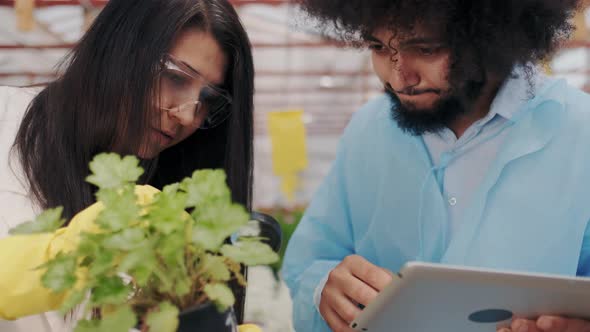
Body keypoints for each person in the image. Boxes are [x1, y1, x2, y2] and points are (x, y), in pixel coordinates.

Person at [283, 1, 590, 332]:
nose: (400, 76)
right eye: (378, 47)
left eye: (426, 49)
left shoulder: (579, 134)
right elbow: (308, 263)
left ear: (491, 36)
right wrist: (324, 290)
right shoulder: (367, 131)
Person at [0, 0, 254, 331]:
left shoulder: (167, 210)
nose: (188, 115)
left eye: (208, 100)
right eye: (175, 78)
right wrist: (64, 254)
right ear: (118, 48)